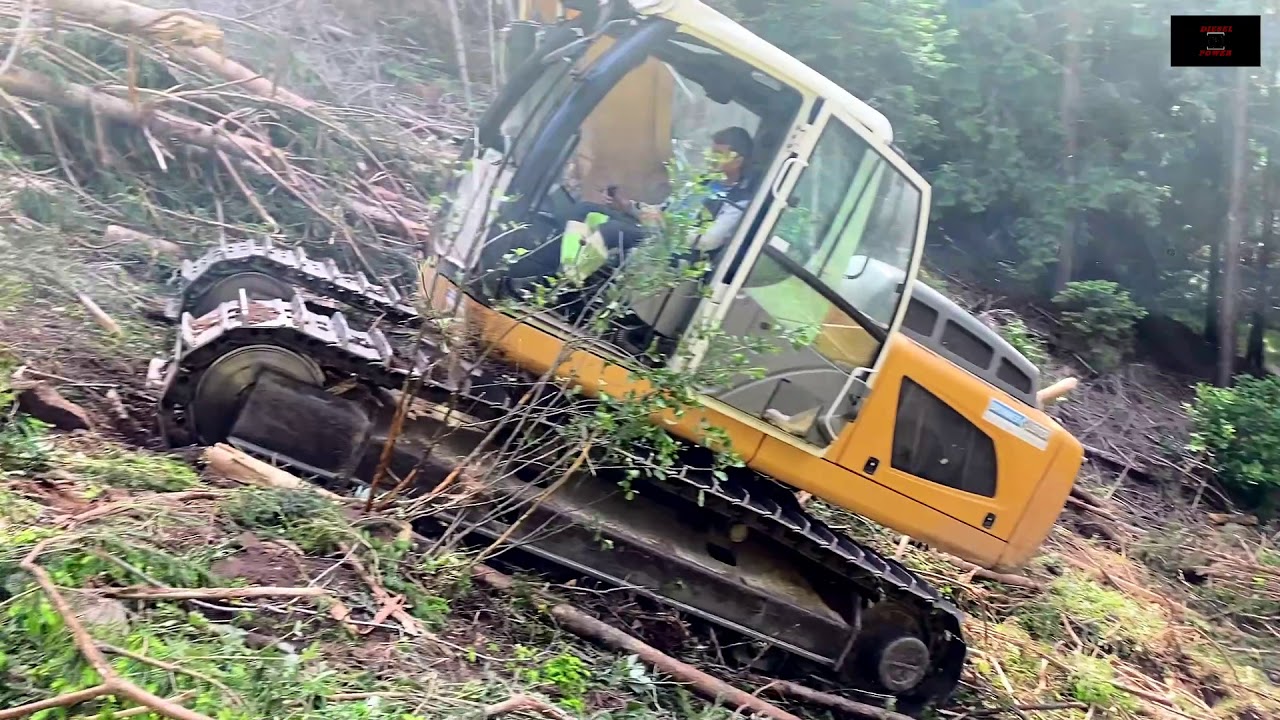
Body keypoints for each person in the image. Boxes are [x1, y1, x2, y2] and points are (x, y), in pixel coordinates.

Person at [562, 126, 758, 276]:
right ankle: (564, 265)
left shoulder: (738, 202)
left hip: (674, 250)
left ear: (737, 161)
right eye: (711, 153)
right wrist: (628, 206)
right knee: (585, 210)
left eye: (719, 155)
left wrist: (665, 224)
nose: (711, 159)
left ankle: (571, 279)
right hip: (653, 231)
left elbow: (709, 240)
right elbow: (663, 210)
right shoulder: (701, 182)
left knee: (612, 231)